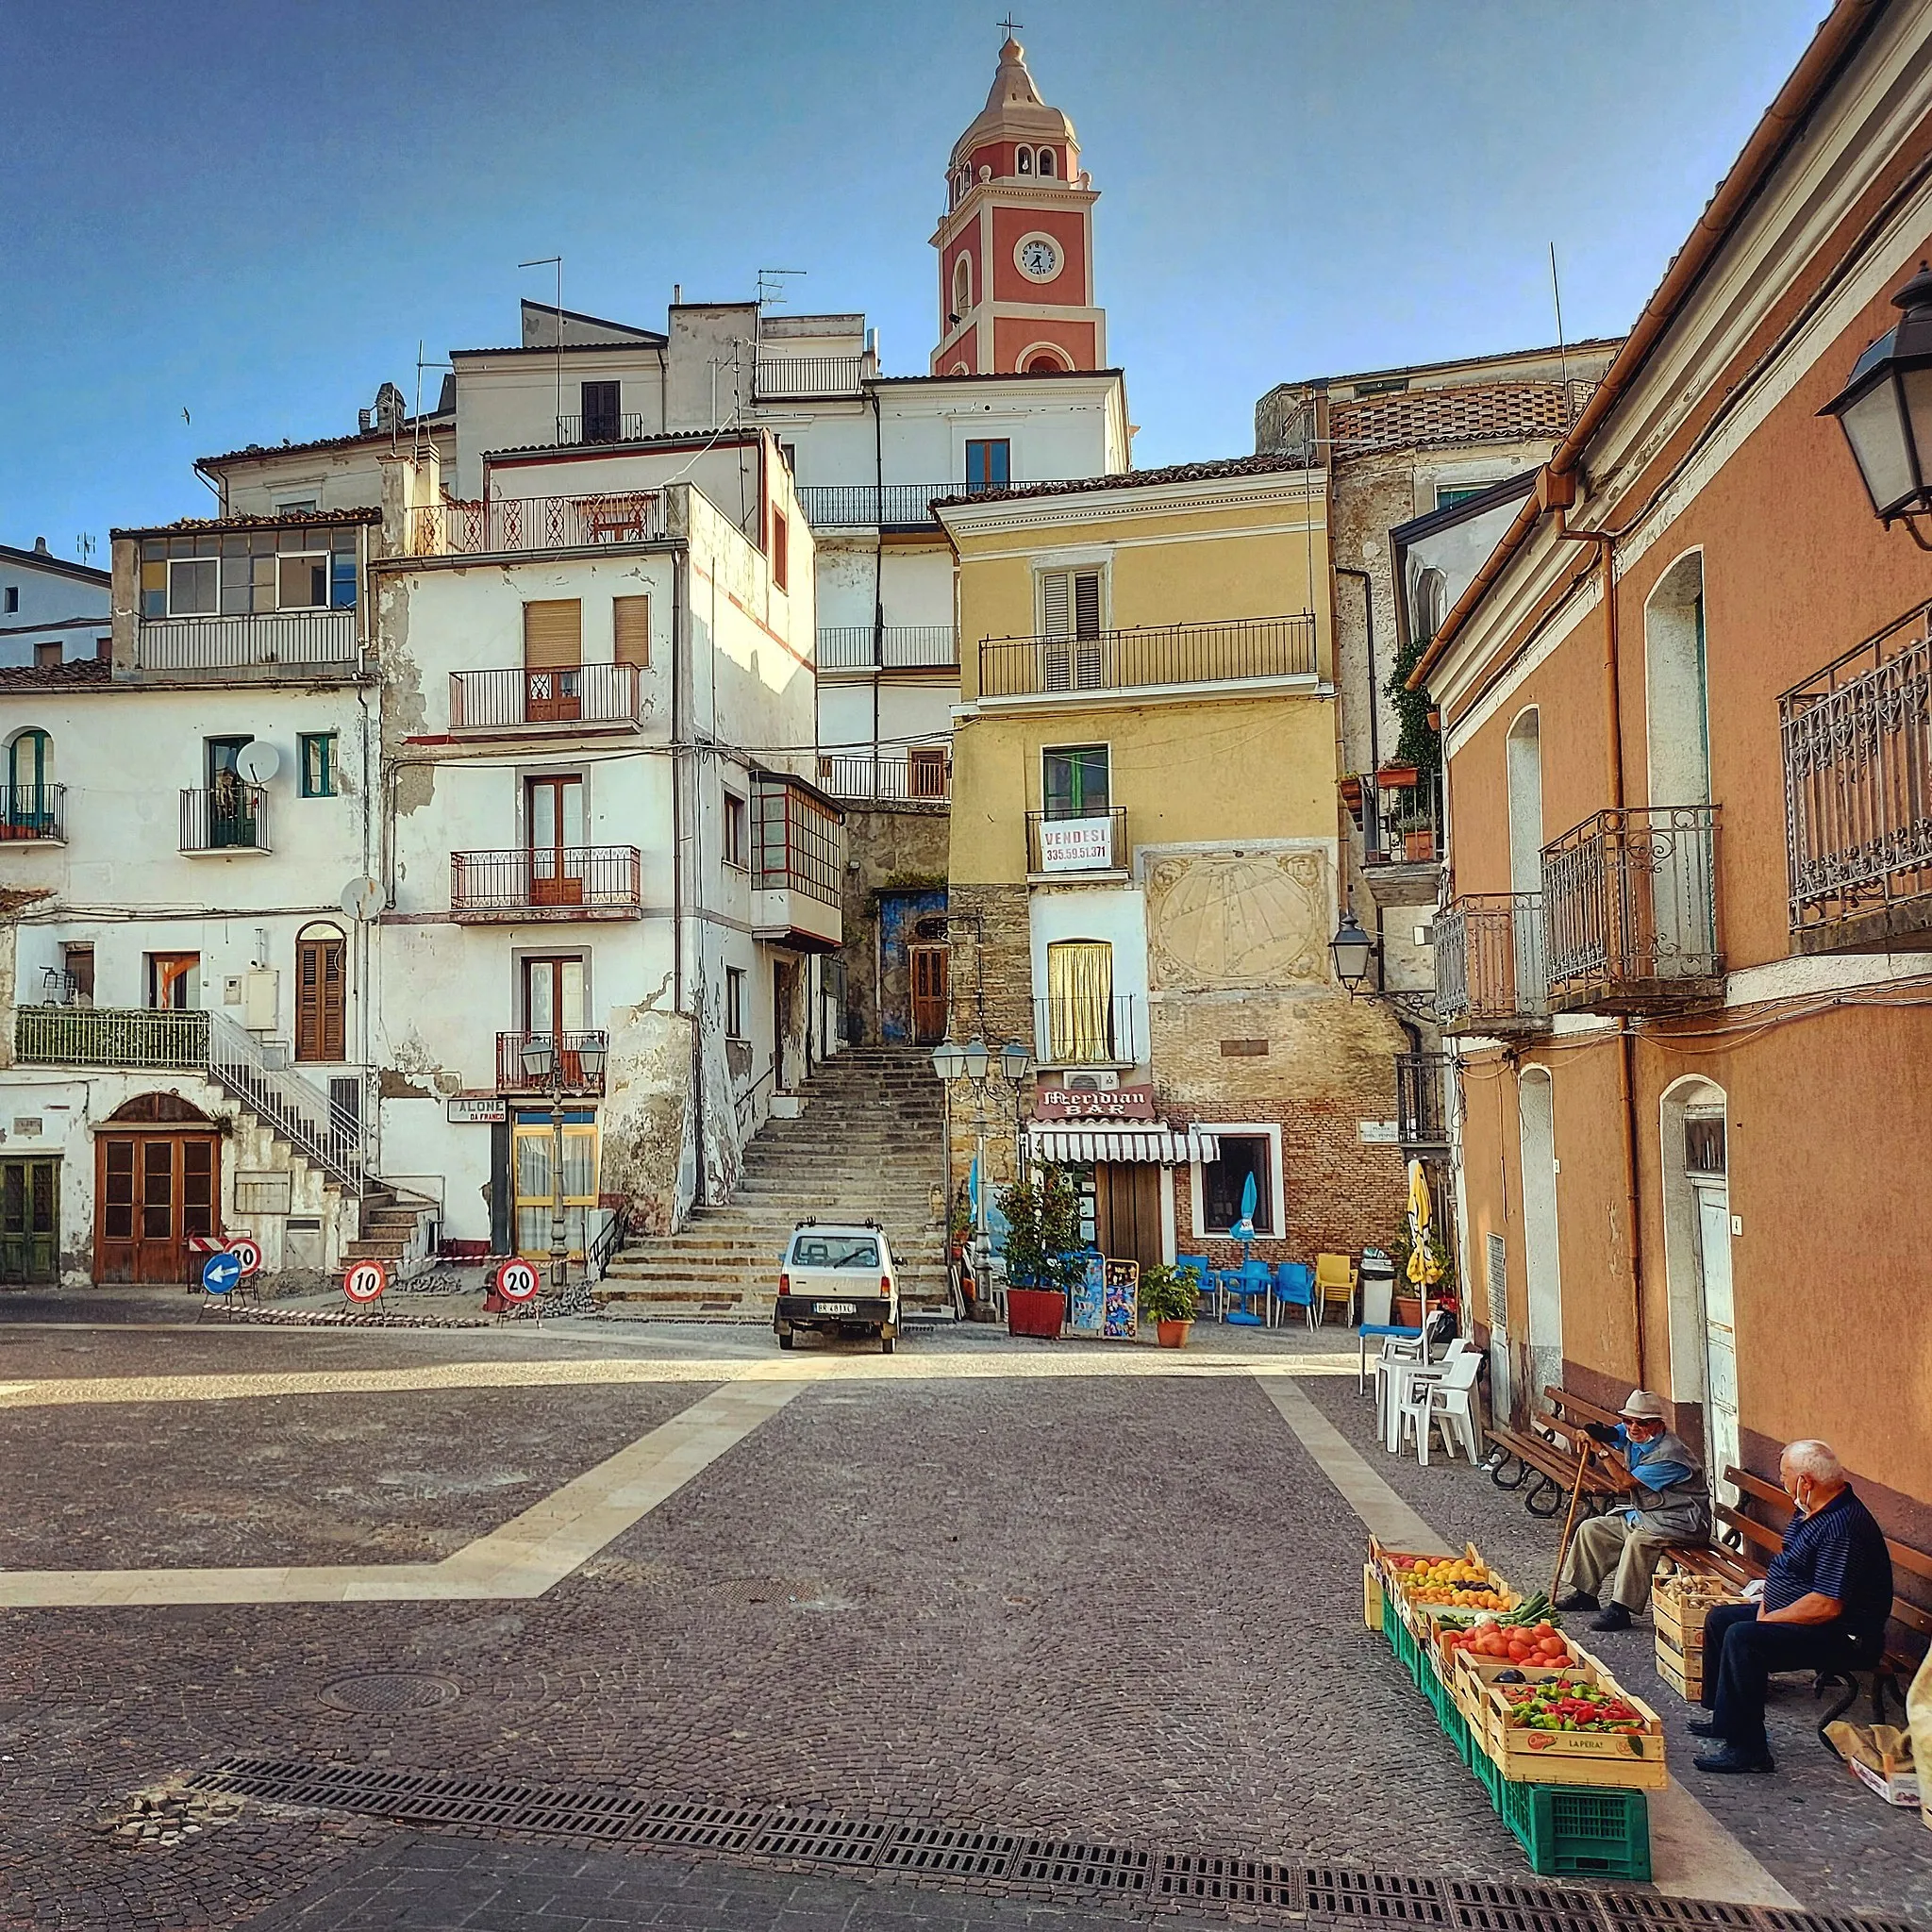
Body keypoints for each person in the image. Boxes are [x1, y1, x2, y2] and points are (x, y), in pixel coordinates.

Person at [1692, 1439, 1894, 1774]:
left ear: (1806, 1481)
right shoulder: (1813, 1510)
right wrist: (1767, 1603)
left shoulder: (1843, 1527)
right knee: (1721, 1618)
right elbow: (1787, 1568)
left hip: (1844, 1636)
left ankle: (1750, 1750)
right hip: (1804, 1616)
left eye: (1785, 1475)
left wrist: (1770, 1617)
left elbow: (1827, 1605)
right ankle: (1725, 1720)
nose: (1782, 1482)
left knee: (1745, 1639)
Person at [1554, 1391, 1710, 1632]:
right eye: (1629, 1421)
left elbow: (1624, 1483)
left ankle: (1621, 1609)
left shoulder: (1670, 1455)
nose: (1633, 1427)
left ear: (1659, 1425)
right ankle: (1585, 1594)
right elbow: (1615, 1433)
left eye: (1642, 1423)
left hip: (1681, 1520)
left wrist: (1601, 1451)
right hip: (1649, 1514)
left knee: (1639, 1542)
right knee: (1591, 1528)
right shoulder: (1635, 1434)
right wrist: (1593, 1432)